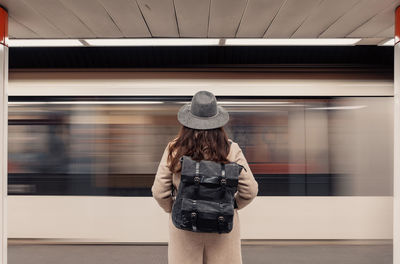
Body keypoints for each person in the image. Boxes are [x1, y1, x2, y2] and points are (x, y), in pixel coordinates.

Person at [151, 90, 258, 264]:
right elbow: (250, 190)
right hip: (221, 227)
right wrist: (232, 205)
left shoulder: (175, 148)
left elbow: (159, 192)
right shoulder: (231, 149)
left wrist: (176, 208)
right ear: (218, 122)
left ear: (188, 121)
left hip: (185, 228)